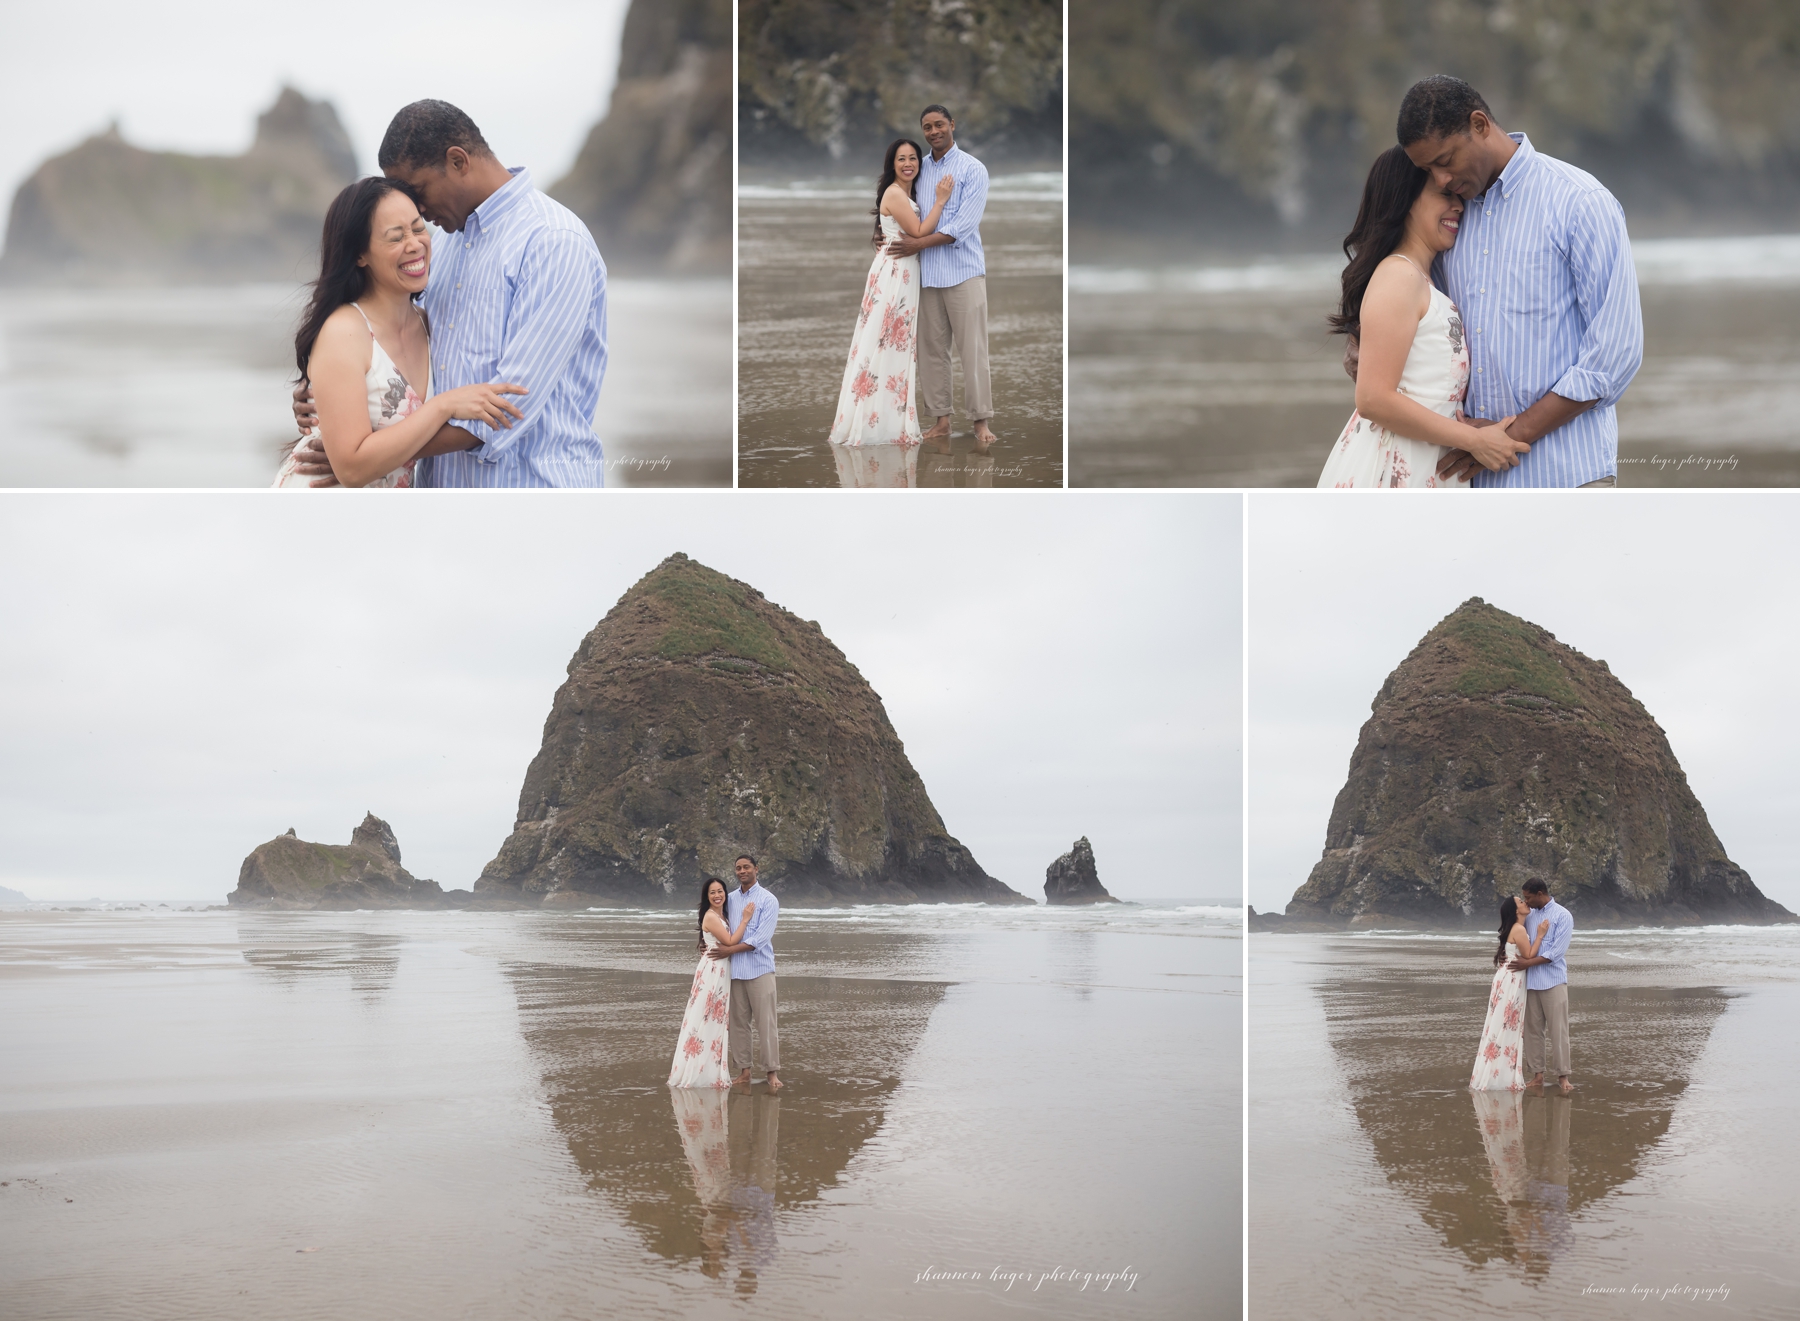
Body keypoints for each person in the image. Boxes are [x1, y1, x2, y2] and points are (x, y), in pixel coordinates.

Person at [290, 100, 609, 487]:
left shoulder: (553, 243)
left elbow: (507, 409)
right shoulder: (440, 244)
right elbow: (392, 347)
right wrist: (332, 399)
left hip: (532, 491)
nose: (419, 210)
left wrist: (363, 449)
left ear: (458, 162)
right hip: (437, 501)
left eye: (419, 191)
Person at [1393, 75, 1643, 487]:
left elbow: (1614, 355)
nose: (1440, 180)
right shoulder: (1446, 218)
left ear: (1479, 125)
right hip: (1467, 487)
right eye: (1426, 170)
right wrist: (1363, 343)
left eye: (1445, 160)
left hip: (1568, 479)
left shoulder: (1580, 202)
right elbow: (1413, 311)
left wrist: (1508, 437)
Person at [275, 178, 526, 488]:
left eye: (419, 229)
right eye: (395, 238)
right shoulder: (344, 332)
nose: (414, 244)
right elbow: (351, 470)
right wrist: (443, 406)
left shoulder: (429, 324)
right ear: (360, 254)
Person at [1319, 147, 1530, 487]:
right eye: (1444, 195)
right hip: (1393, 467)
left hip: (1426, 464)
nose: (1459, 205)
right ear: (1405, 201)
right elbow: (1372, 398)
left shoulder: (1424, 279)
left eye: (1458, 195)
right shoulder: (1399, 276)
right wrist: (1476, 441)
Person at [827, 138, 953, 452]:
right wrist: (941, 200)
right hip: (895, 275)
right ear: (892, 164)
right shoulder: (895, 193)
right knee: (884, 343)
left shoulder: (907, 192)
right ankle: (875, 424)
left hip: (902, 272)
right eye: (901, 159)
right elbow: (919, 232)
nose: (908, 164)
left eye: (913, 158)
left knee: (894, 346)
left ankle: (885, 420)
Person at [883, 105, 995, 450]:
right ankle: (941, 420)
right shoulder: (918, 169)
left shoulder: (973, 169)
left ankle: (980, 421)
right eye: (927, 127)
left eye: (939, 125)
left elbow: (964, 225)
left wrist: (918, 243)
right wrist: (884, 233)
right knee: (932, 351)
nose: (933, 131)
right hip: (927, 275)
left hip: (964, 272)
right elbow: (899, 204)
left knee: (973, 350)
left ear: (952, 125)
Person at [670, 877, 759, 1089]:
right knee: (706, 1018)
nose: (717, 895)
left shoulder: (721, 915)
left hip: (719, 969)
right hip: (713, 971)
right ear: (707, 896)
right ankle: (699, 1072)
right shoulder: (710, 916)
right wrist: (746, 919)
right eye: (713, 892)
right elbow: (730, 942)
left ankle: (709, 1069)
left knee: (715, 1020)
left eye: (720, 891)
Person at [707, 855, 782, 1092]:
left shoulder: (768, 900)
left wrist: (729, 950)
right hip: (735, 971)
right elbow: (715, 922)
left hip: (760, 969)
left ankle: (771, 1072)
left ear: (756, 869)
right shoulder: (729, 899)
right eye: (738, 868)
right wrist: (706, 944)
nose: (742, 871)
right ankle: (744, 1071)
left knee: (766, 1023)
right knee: (738, 1024)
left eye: (746, 867)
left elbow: (761, 938)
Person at [1470, 892, 1549, 1090]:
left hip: (1507, 978)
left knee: (1501, 1024)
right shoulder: (1519, 929)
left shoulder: (1516, 928)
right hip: (1512, 980)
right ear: (1515, 911)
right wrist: (1540, 935)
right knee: (1507, 1025)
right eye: (1521, 902)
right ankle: (1500, 1076)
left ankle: (1496, 1072)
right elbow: (1529, 955)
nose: (1525, 902)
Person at [1510, 878, 1574, 1092]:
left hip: (1553, 981)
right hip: (1530, 983)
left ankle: (1563, 1076)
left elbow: (1556, 952)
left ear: (1540, 893)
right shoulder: (1529, 915)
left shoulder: (1563, 915)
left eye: (1528, 897)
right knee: (1532, 1031)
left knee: (1558, 1031)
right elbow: (1520, 942)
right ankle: (1537, 1075)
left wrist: (1527, 963)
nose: (1526, 902)